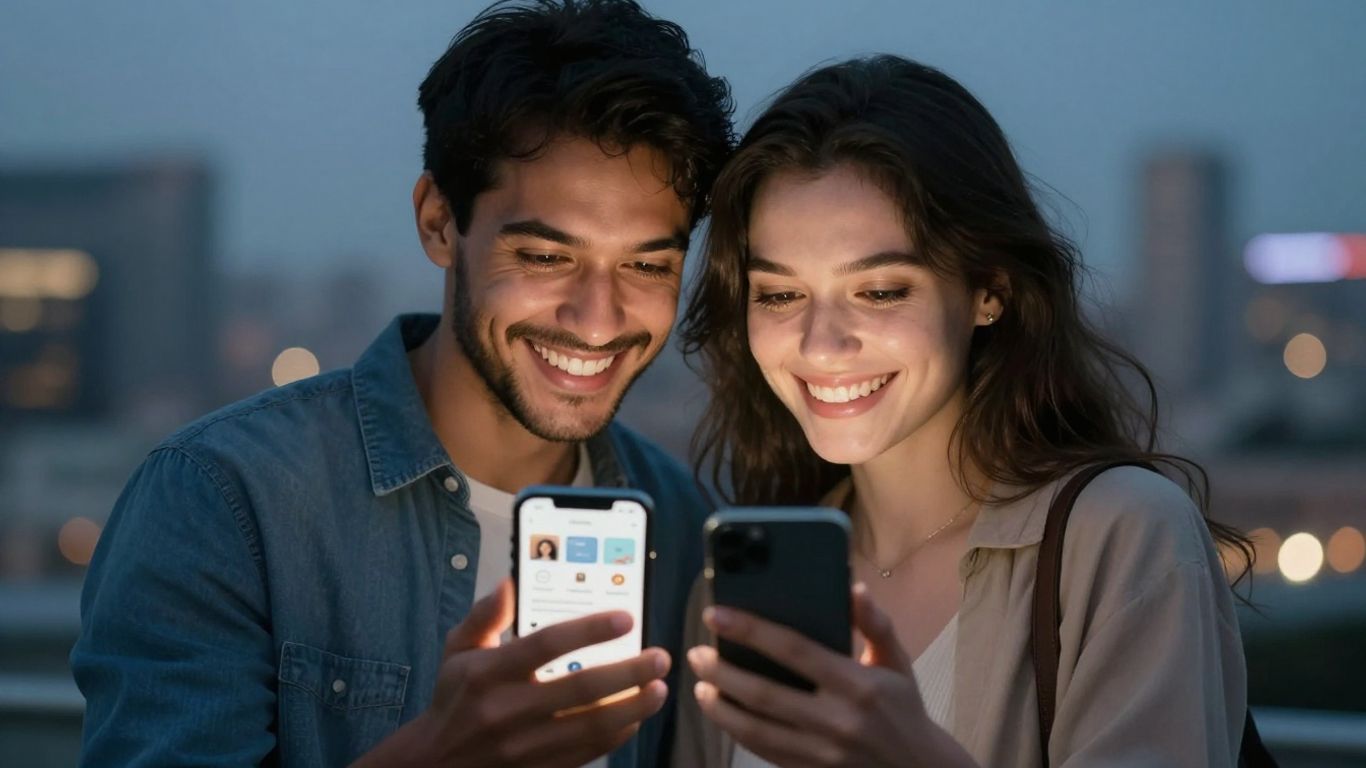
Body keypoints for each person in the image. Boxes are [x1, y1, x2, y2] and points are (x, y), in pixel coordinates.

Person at [70, 2, 733, 766]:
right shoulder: (226, 499)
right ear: (439, 223)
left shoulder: (676, 520)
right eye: (547, 258)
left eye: (647, 265)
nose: (596, 319)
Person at [675, 55, 1252, 767]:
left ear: (989, 291)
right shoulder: (735, 582)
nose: (820, 343)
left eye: (880, 291)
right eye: (779, 295)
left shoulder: (1121, 536)